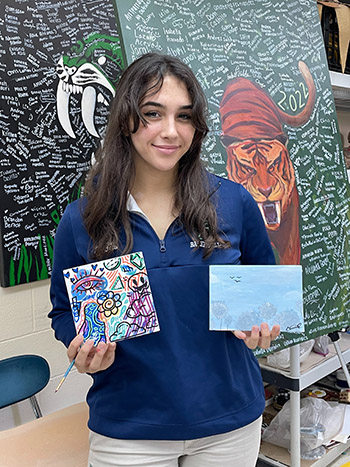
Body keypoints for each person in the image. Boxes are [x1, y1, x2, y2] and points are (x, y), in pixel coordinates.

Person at [49, 52, 280, 467]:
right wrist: (79, 345)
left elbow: (267, 288)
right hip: (127, 430)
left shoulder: (232, 202)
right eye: (153, 113)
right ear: (126, 119)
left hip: (228, 426)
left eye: (185, 116)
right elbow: (64, 310)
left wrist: (264, 324)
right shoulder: (83, 219)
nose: (171, 131)